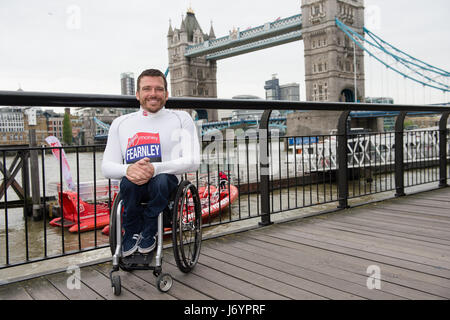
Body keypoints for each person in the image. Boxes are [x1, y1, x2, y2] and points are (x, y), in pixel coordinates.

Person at [102, 68, 201, 257]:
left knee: (161, 180)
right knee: (127, 181)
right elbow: (106, 167)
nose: (153, 94)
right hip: (133, 185)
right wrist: (129, 169)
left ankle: (150, 226)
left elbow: (193, 161)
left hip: (167, 185)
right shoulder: (120, 123)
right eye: (147, 89)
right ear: (138, 94)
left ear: (166, 94)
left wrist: (155, 168)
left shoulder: (182, 118)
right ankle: (131, 230)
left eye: (159, 89)